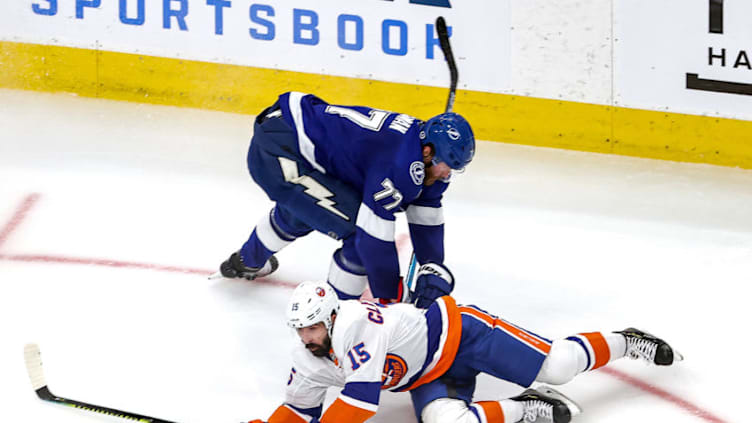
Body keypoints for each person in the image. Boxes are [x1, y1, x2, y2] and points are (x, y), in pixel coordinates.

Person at [247, 265, 682, 423]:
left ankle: (628, 342)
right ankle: (527, 406)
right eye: (301, 330)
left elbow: (361, 403)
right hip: (426, 374)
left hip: (460, 333)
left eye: (313, 328)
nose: (308, 338)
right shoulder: (306, 356)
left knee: (560, 365)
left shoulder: (352, 324)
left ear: (330, 317)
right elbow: (299, 410)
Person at [217, 92, 475, 302]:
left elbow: (426, 204)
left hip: (290, 127)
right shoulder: (402, 165)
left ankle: (247, 260)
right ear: (428, 152)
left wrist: (432, 265)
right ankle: (338, 323)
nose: (447, 174)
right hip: (280, 150)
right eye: (446, 166)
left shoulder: (421, 149)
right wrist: (393, 298)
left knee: (311, 206)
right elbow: (371, 240)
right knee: (355, 233)